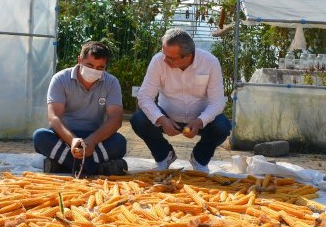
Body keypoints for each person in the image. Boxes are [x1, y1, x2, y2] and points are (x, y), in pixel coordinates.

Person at [131, 28, 231, 173]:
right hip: (168, 116)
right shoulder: (158, 61)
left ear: (188, 56)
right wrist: (162, 119)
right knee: (138, 119)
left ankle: (199, 159)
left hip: (200, 120)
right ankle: (164, 155)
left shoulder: (210, 62)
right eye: (164, 54)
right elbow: (144, 96)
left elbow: (217, 102)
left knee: (223, 126)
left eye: (171, 58)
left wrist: (200, 121)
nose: (164, 59)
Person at [32, 41, 127, 176]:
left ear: (105, 67)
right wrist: (72, 141)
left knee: (119, 143)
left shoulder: (111, 82)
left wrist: (92, 141)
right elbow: (54, 118)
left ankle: (63, 165)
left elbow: (115, 119)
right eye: (89, 65)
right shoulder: (60, 79)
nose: (94, 70)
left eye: (100, 68)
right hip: (65, 136)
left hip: (97, 137)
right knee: (40, 137)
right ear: (79, 60)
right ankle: (96, 167)